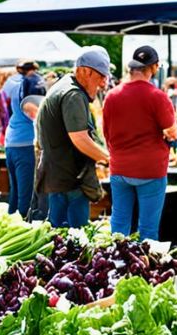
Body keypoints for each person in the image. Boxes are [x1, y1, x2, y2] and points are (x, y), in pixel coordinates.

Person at [102, 45, 177, 241]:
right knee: (148, 230)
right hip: (150, 168)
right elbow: (172, 131)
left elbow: (106, 133)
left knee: (118, 225)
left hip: (119, 166)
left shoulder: (112, 96)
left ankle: (115, 266)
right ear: (153, 67)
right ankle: (146, 269)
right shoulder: (157, 96)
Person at [35, 46, 111, 229]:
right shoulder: (73, 95)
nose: (103, 83)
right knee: (75, 237)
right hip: (68, 180)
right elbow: (80, 139)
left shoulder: (64, 86)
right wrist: (108, 159)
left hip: (59, 176)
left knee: (59, 238)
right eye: (100, 76)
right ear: (84, 71)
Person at [4, 59, 46, 218]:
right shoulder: (31, 83)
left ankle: (8, 225)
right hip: (26, 142)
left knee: (14, 191)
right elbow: (33, 111)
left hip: (11, 141)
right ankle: (22, 226)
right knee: (26, 195)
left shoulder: (11, 82)